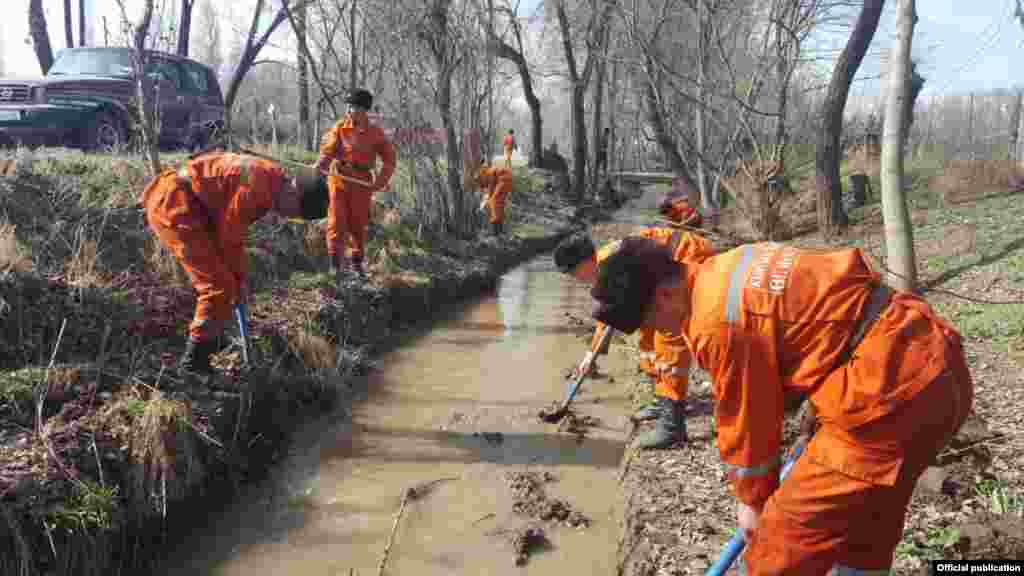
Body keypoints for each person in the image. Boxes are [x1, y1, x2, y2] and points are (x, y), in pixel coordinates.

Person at [588, 239, 974, 574]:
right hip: (932, 362)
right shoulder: (730, 265)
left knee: (780, 544)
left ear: (663, 295)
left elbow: (749, 422)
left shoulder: (716, 321)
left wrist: (753, 502)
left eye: (653, 321)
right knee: (865, 529)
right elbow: (810, 331)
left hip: (887, 393)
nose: (662, 333)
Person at [143, 152, 329, 388]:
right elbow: (230, 240)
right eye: (292, 212)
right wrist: (238, 281)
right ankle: (193, 363)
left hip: (197, 207)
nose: (286, 216)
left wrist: (238, 279)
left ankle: (212, 337)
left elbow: (230, 235)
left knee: (226, 282)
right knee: (218, 286)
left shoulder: (271, 178)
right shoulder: (257, 189)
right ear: (295, 192)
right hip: (175, 204)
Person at [553, 228, 714, 449]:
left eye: (573, 274)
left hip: (688, 256)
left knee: (667, 338)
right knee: (647, 333)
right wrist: (592, 353)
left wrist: (593, 353)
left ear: (584, 262)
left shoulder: (613, 264)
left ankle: (672, 426)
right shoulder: (606, 263)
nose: (576, 280)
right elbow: (611, 311)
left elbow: (610, 308)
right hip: (661, 264)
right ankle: (661, 400)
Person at [318, 88, 396, 279]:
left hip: (361, 184)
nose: (348, 110)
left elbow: (389, 160)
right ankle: (335, 265)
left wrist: (379, 182)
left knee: (357, 224)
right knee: (336, 220)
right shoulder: (340, 127)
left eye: (352, 107)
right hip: (339, 179)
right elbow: (327, 151)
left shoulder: (375, 133)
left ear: (363, 110)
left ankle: (357, 263)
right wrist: (319, 165)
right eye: (348, 106)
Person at [477, 161, 514, 236]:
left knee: (494, 201)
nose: (484, 187)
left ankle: (495, 230)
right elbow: (489, 188)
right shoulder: (487, 172)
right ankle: (499, 228)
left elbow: (490, 189)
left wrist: (486, 200)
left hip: (504, 179)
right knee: (498, 203)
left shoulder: (488, 173)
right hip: (505, 179)